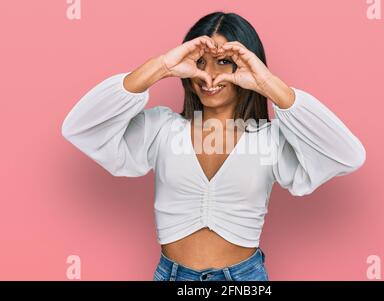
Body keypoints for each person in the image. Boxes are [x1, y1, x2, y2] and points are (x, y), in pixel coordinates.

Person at [61, 11, 366, 281]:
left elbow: (348, 155)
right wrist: (162, 66)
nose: (209, 76)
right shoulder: (162, 129)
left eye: (224, 62)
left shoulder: (270, 140)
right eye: (200, 62)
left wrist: (268, 83)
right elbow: (80, 127)